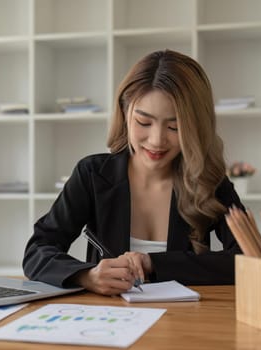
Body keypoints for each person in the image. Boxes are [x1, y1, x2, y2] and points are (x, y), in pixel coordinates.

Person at [23, 49, 245, 296]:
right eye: (144, 122)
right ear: (125, 112)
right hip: (111, 321)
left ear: (195, 127)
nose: (157, 140)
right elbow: (37, 251)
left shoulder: (208, 181)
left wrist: (154, 263)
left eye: (174, 126)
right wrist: (87, 276)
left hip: (184, 323)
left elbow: (248, 260)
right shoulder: (93, 174)